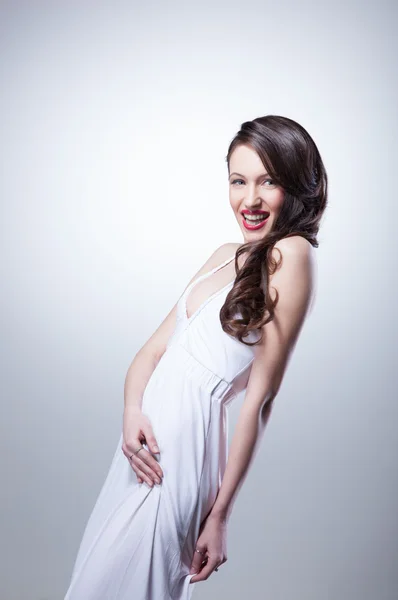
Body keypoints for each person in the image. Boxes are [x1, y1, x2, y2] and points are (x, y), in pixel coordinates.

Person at [64, 114, 328, 599]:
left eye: (268, 181)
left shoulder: (293, 256)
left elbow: (261, 401)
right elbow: (152, 350)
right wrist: (131, 412)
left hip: (183, 456)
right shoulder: (225, 253)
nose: (249, 199)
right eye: (238, 180)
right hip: (139, 454)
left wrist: (221, 515)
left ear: (297, 184)